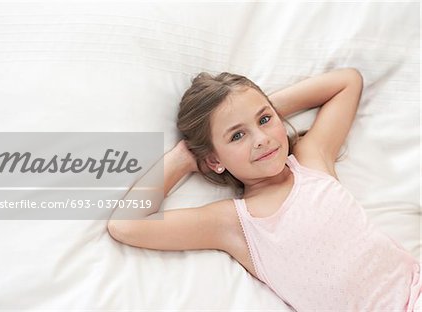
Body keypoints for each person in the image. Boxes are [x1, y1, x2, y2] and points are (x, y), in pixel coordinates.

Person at [108, 68, 421, 311]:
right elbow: (125, 225)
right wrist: (181, 159)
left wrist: (259, 107)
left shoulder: (311, 162)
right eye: (237, 136)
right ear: (215, 159)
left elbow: (347, 82)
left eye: (265, 120)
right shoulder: (234, 223)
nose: (261, 138)